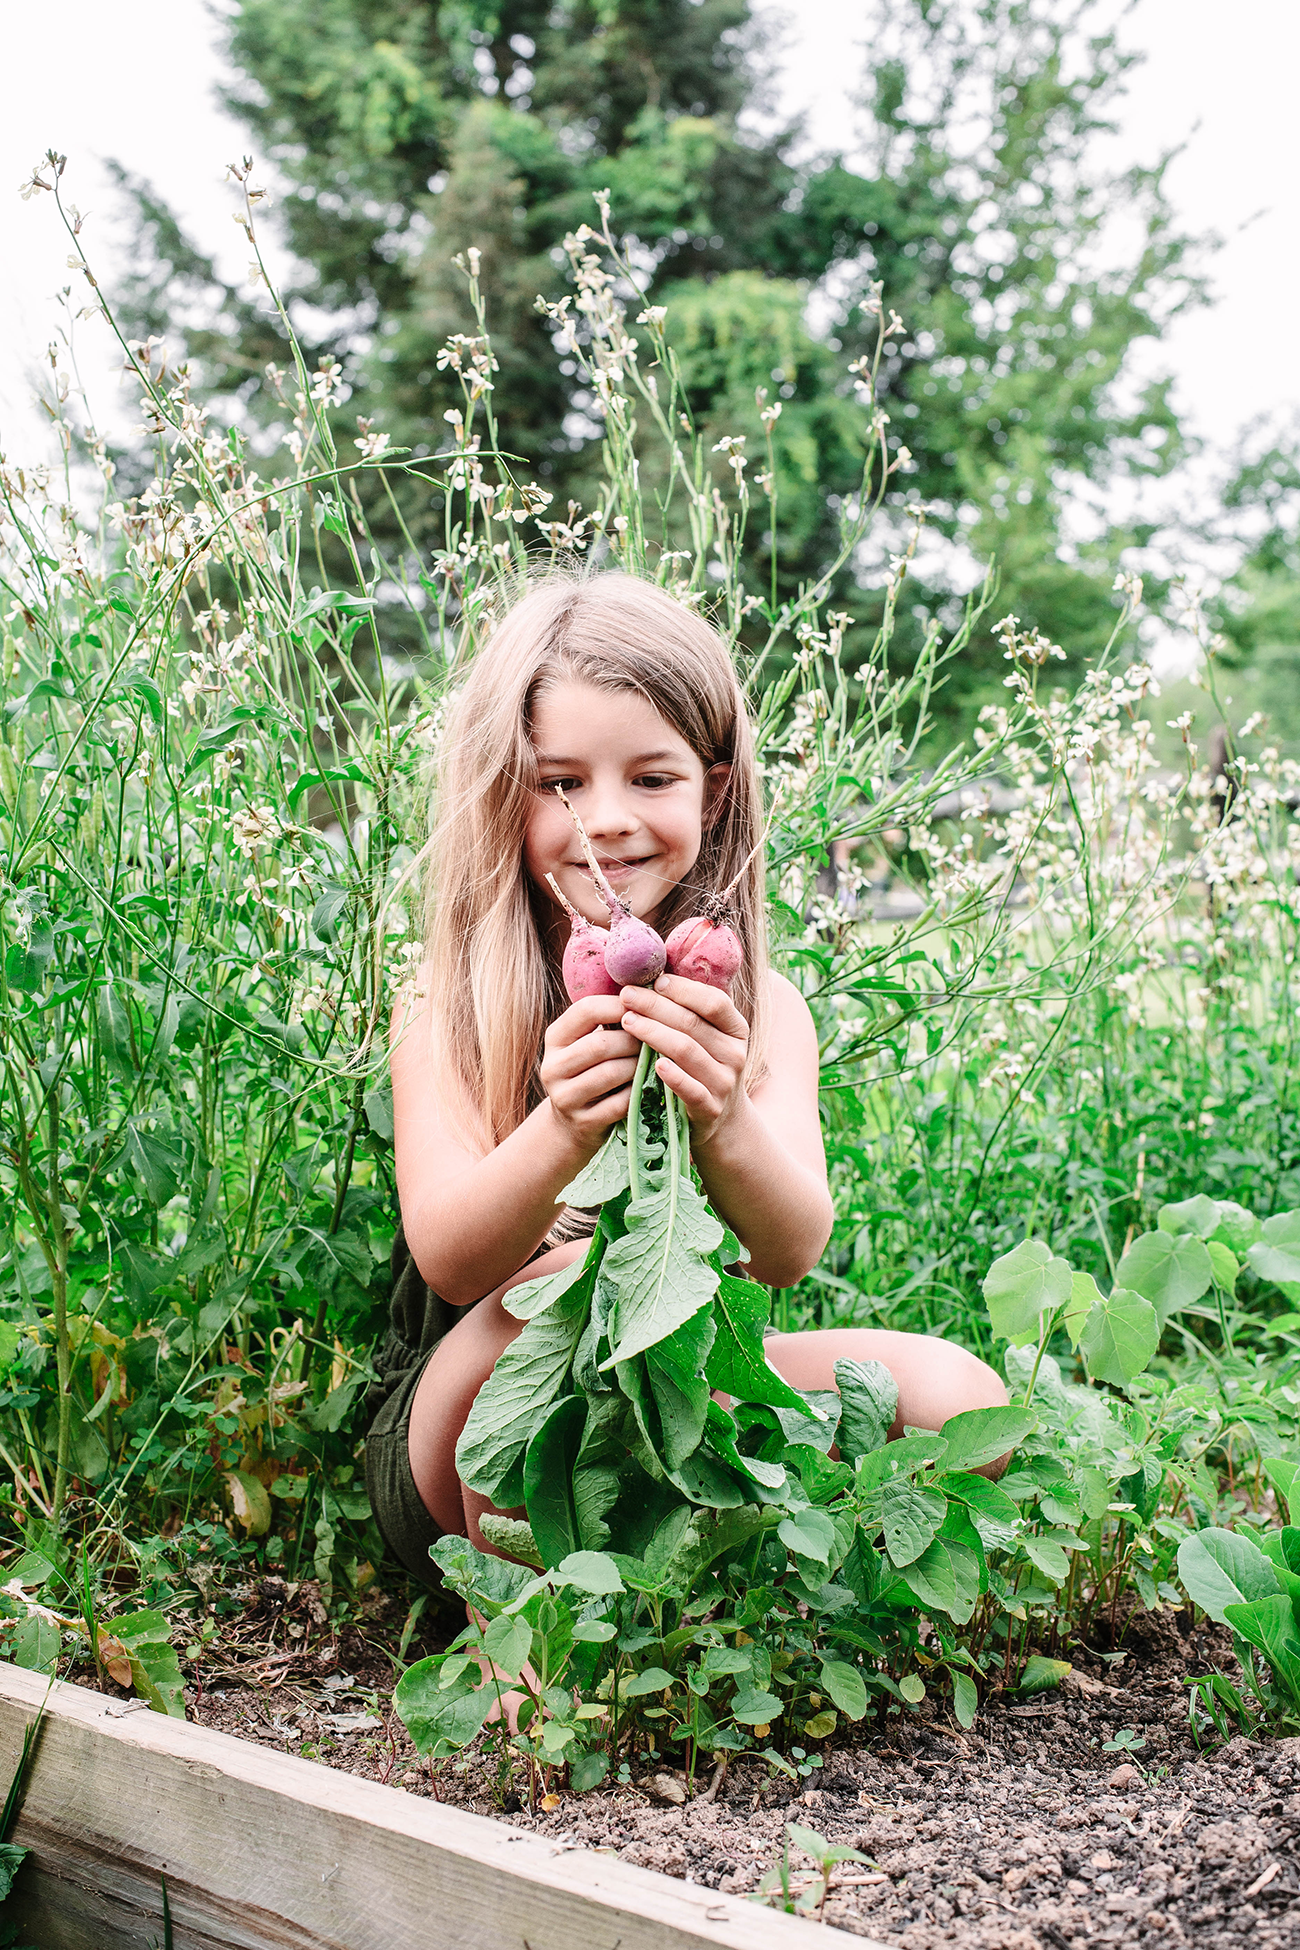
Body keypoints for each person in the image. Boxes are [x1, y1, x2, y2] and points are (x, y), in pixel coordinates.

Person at [364, 571, 1006, 1580]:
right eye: (560, 782)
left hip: (680, 1402)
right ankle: (523, 1643)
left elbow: (789, 1250)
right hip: (457, 1442)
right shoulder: (447, 1002)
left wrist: (724, 1115)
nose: (606, 819)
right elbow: (450, 1260)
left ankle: (736, 1570)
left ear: (714, 788)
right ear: (503, 790)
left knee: (956, 1399)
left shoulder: (760, 1009)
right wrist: (563, 1128)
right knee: (577, 1283)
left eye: (651, 778)